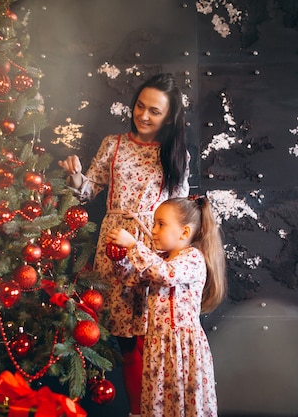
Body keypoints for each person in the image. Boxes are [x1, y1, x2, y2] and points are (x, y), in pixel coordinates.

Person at [58, 73, 190, 417]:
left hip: (151, 248)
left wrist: (173, 259)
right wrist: (75, 177)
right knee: (128, 343)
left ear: (170, 116)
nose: (143, 116)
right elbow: (90, 189)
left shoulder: (174, 153)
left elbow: (179, 211)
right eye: (140, 106)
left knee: (152, 341)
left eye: (155, 111)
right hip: (114, 248)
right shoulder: (113, 144)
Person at [105, 196, 227, 417]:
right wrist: (119, 258)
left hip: (183, 346)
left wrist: (134, 245)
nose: (153, 230)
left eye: (161, 224)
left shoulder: (192, 259)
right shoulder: (158, 259)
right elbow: (131, 279)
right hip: (158, 346)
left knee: (185, 402)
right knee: (160, 404)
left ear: (184, 233)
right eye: (154, 223)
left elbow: (166, 274)